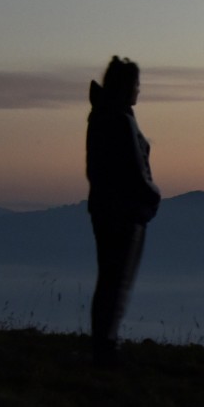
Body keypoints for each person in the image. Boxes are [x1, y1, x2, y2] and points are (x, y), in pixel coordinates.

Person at [85, 56, 161, 368]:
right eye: (136, 85)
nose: (139, 91)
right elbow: (133, 170)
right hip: (126, 212)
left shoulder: (102, 115)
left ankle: (103, 343)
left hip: (106, 209)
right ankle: (106, 347)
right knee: (117, 281)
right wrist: (153, 196)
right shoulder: (119, 119)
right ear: (125, 86)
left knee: (110, 280)